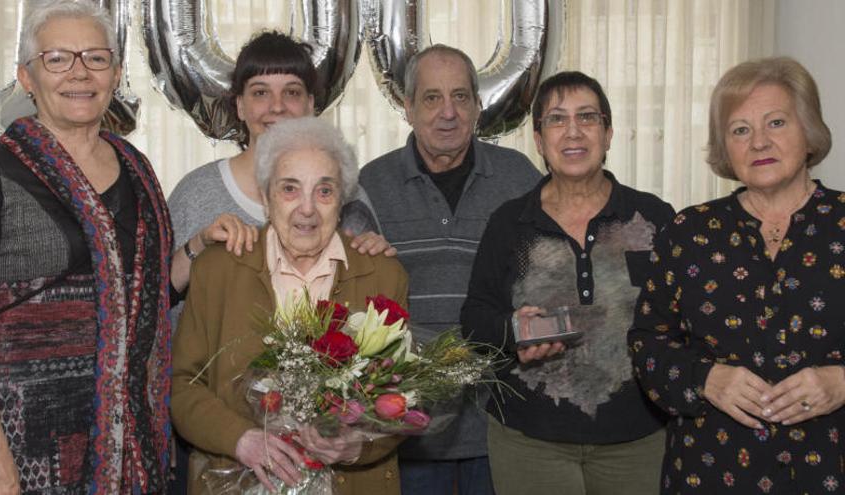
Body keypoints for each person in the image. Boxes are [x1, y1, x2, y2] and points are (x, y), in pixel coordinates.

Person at [0, 1, 251, 493]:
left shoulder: (137, 171)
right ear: (27, 78)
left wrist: (199, 246)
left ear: (116, 74)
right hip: (22, 447)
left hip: (133, 447)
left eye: (95, 58)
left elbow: (145, 298)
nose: (79, 72)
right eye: (58, 58)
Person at [628, 56, 844, 493]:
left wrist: (842, 381)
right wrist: (702, 378)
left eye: (776, 123)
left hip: (829, 468)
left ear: (809, 132)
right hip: (710, 470)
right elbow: (647, 343)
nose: (759, 142)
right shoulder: (687, 232)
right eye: (740, 130)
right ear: (725, 148)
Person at [460, 71, 673, 495]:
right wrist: (515, 331)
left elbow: (682, 320)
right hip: (530, 442)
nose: (573, 131)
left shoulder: (653, 218)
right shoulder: (510, 223)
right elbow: (474, 319)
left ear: (609, 133)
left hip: (638, 439)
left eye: (587, 117)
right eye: (556, 119)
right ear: (538, 140)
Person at [172, 116, 409, 495]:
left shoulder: (383, 275)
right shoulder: (217, 270)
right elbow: (183, 385)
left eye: (325, 191)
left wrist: (358, 443)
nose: (307, 209)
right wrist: (239, 438)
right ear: (265, 199)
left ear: (343, 201)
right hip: (237, 483)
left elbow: (401, 397)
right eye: (290, 189)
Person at [359, 44, 541, 494]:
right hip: (408, 431)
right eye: (432, 98)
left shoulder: (519, 178)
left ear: (478, 106)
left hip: (501, 428)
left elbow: (546, 283)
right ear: (408, 107)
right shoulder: (370, 184)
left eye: (461, 97)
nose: (448, 113)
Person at [166, 31, 391, 273]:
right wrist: (198, 245)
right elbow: (160, 294)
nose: (277, 106)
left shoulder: (347, 195)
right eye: (260, 93)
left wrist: (375, 254)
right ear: (240, 106)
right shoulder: (196, 193)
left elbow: (367, 290)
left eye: (292, 92)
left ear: (310, 105)